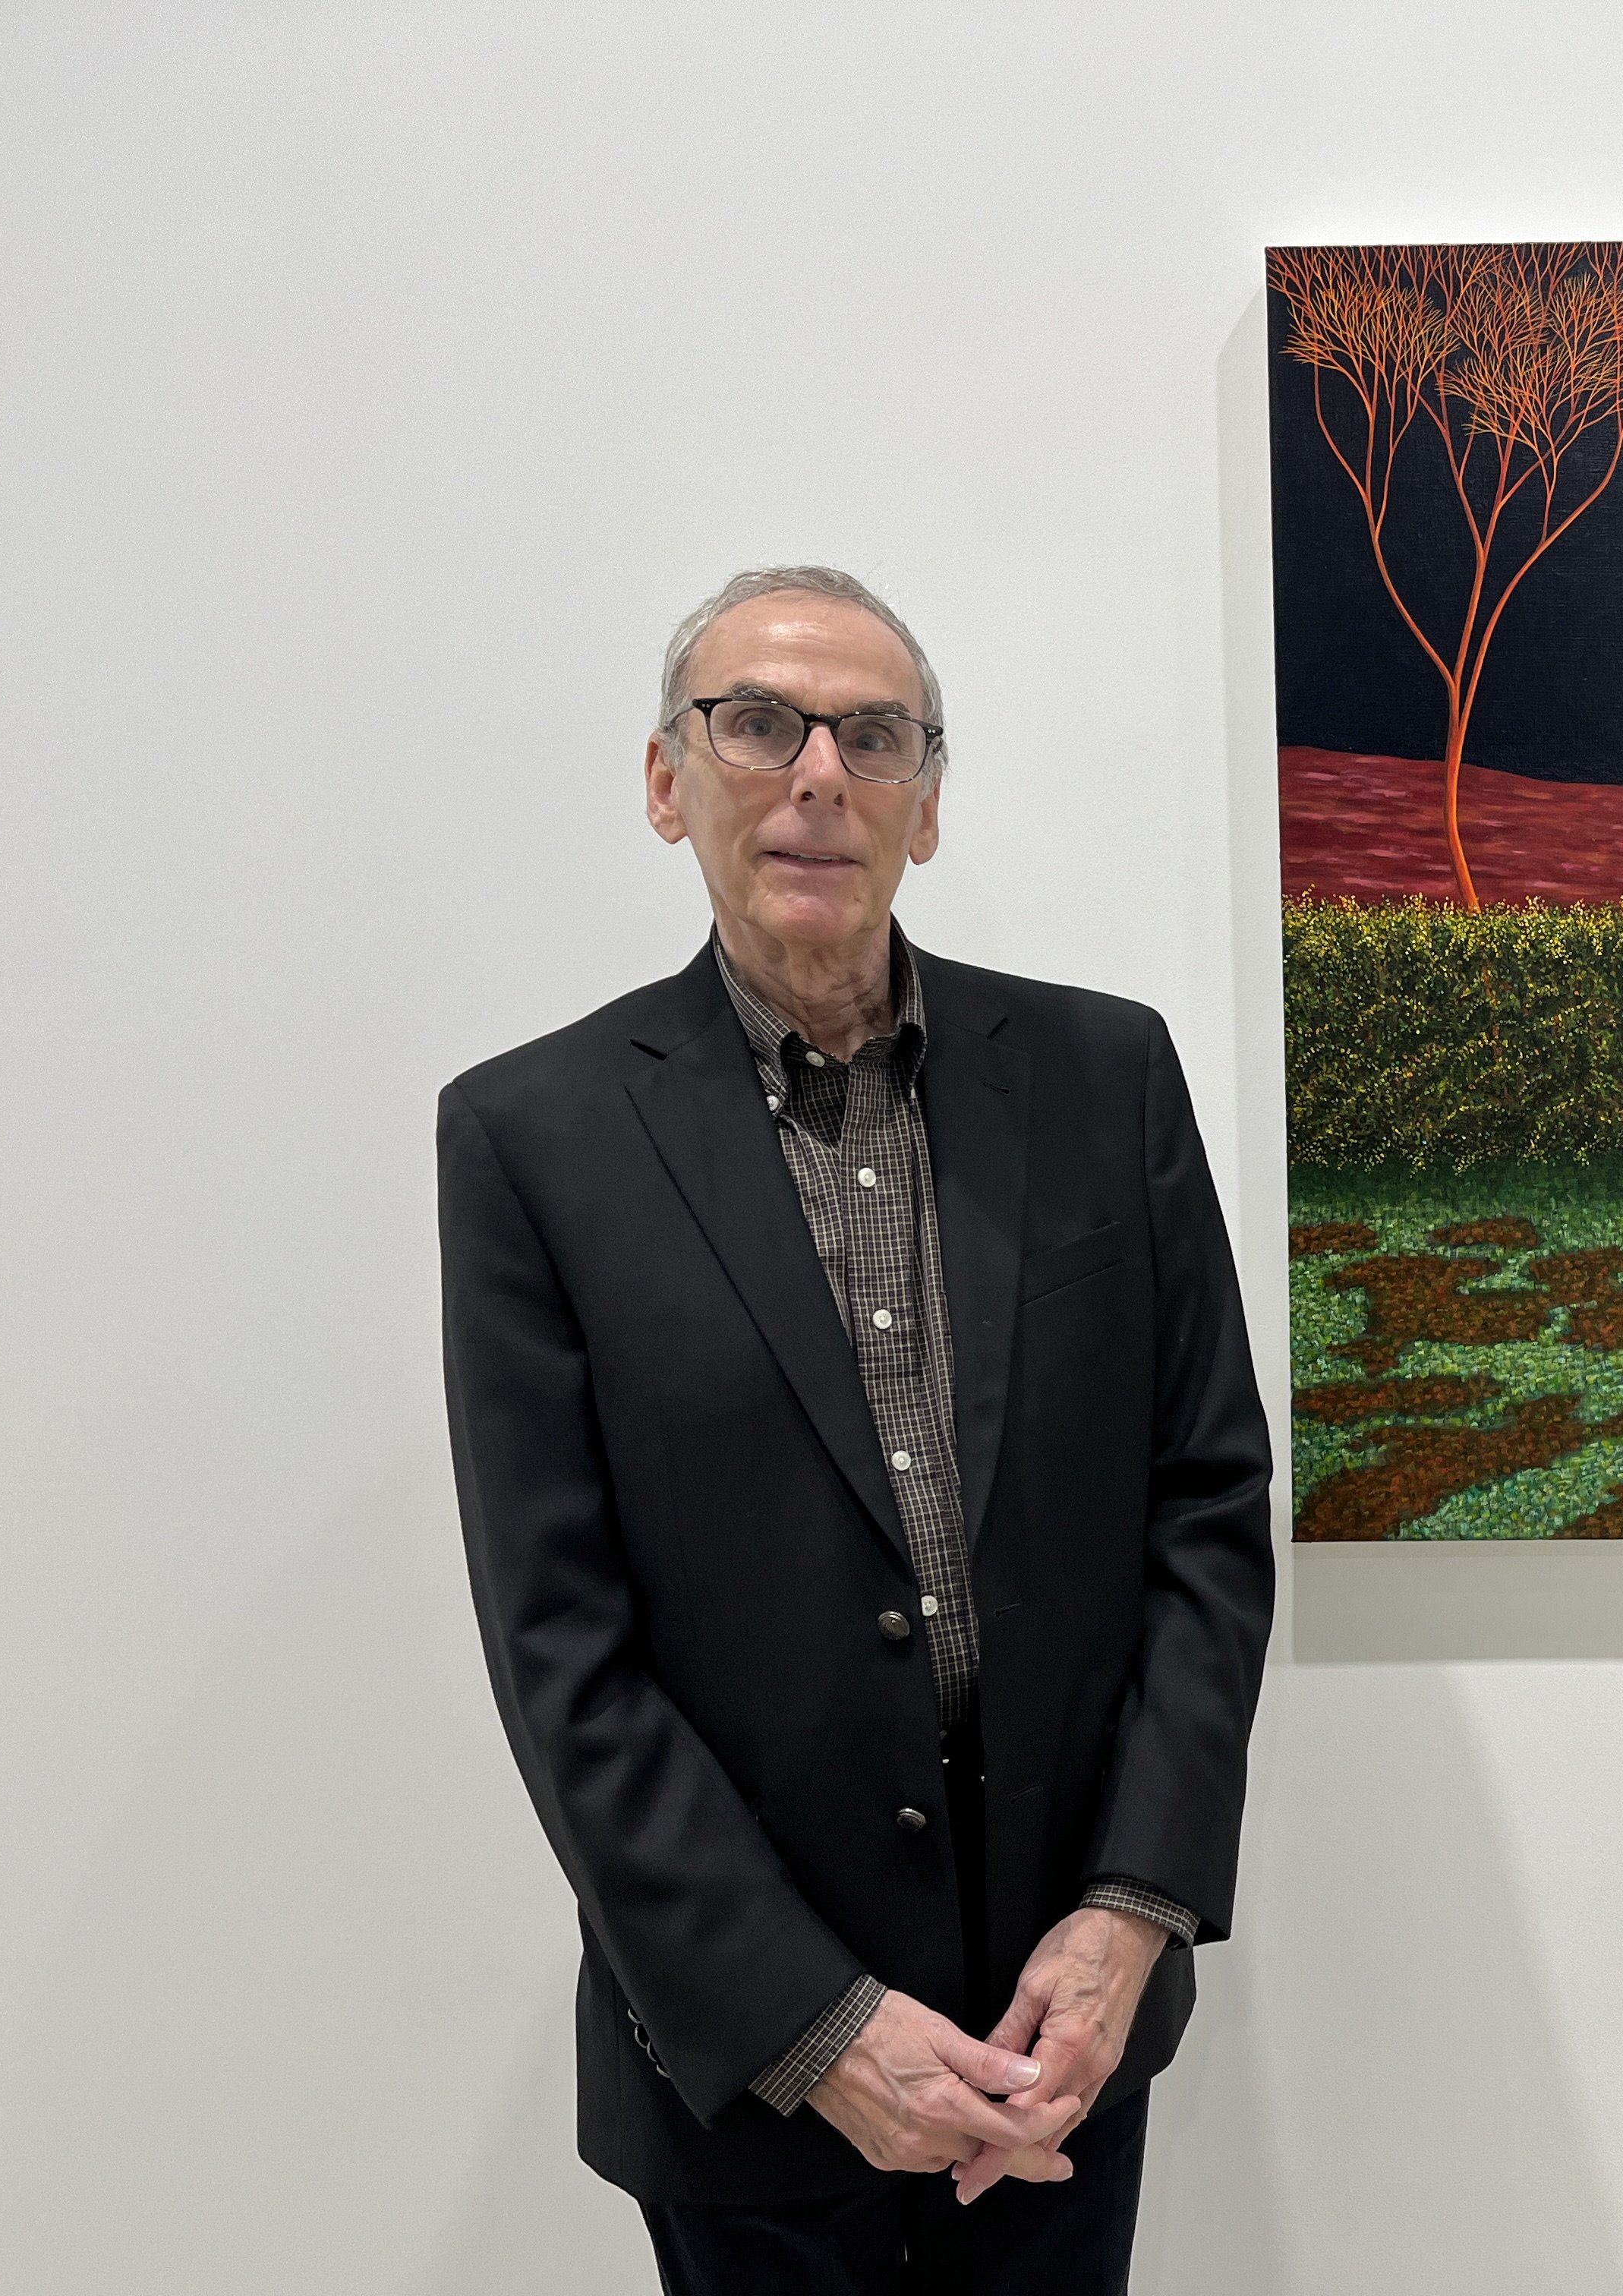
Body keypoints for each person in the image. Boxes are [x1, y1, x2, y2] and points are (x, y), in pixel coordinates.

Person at [439, 566, 1274, 2293]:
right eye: (758, 723)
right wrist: (817, 2030)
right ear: (669, 782)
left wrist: (1133, 1913)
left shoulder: (1106, 1078)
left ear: (928, 800)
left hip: (1065, 2030)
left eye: (873, 735)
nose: (818, 773)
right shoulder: (533, 1139)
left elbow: (1205, 1514)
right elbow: (562, 1651)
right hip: (747, 2066)